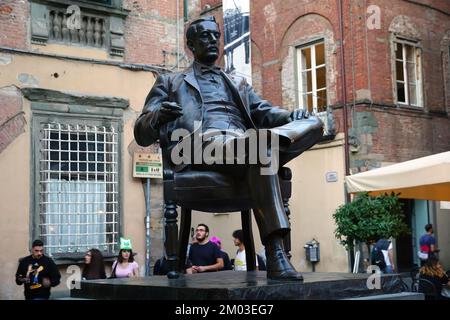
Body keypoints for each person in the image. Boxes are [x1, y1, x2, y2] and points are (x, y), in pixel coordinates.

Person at [134, 16, 323, 281]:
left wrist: (294, 116)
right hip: (199, 147)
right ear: (190, 44)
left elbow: (266, 112)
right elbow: (140, 132)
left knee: (312, 123)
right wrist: (158, 117)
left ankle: (273, 143)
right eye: (204, 36)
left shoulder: (239, 83)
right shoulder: (170, 82)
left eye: (215, 36)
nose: (212, 41)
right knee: (262, 150)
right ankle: (276, 254)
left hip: (244, 145)